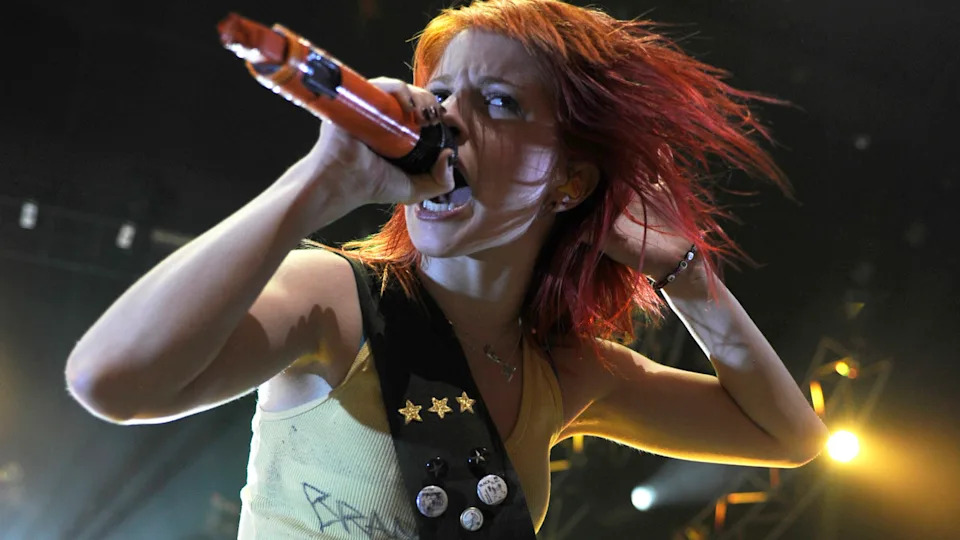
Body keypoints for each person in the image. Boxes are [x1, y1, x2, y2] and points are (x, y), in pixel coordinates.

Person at [65, 0, 829, 537]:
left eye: (499, 103)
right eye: (438, 96)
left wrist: (689, 279)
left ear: (569, 180)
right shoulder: (334, 298)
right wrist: (318, 184)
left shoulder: (565, 372)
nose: (448, 120)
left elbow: (790, 438)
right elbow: (109, 382)